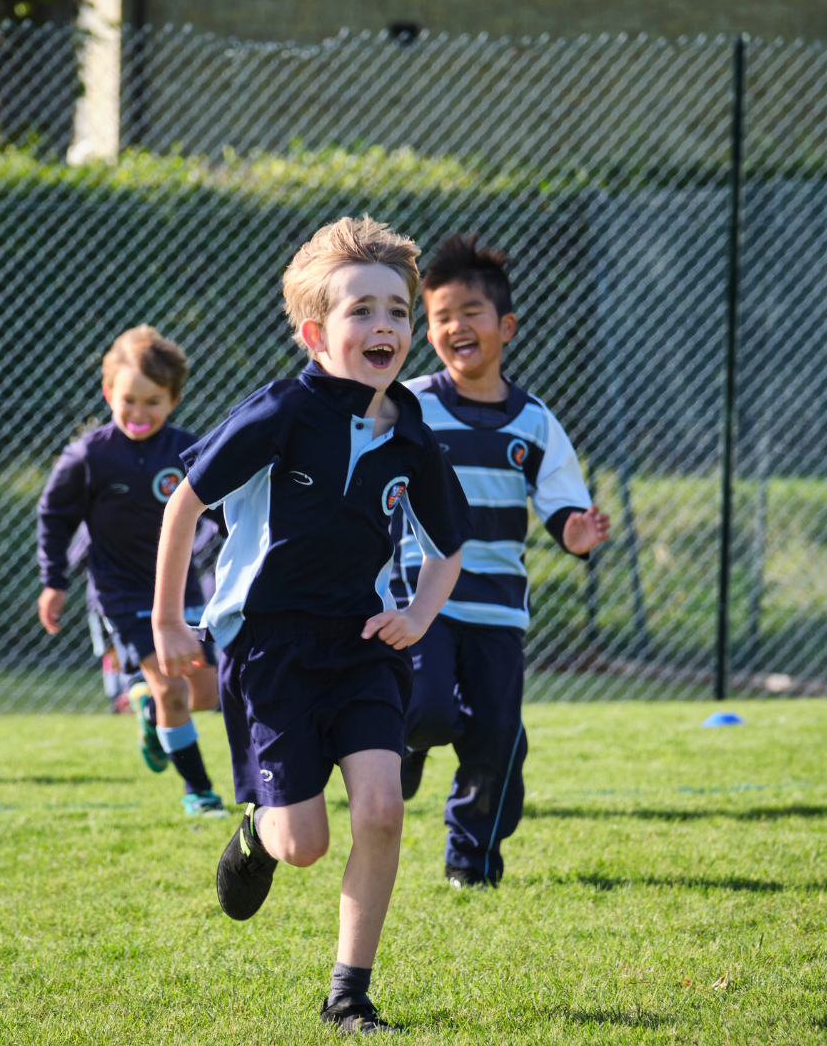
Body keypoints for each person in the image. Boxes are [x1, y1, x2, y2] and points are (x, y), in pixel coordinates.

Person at [152, 217, 470, 1033]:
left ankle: (349, 993)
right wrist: (167, 620)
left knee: (383, 809)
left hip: (364, 645)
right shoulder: (281, 413)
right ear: (315, 333)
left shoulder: (411, 435)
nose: (385, 327)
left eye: (398, 311)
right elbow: (187, 499)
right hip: (271, 649)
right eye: (361, 311)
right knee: (304, 845)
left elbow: (449, 544)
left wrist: (418, 615)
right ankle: (257, 834)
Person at [394, 233, 610, 887]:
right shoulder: (410, 406)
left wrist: (575, 533)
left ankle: (472, 862)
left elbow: (562, 505)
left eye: (470, 312)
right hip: (422, 598)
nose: (456, 326)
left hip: (496, 607)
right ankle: (405, 743)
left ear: (505, 325)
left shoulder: (535, 422)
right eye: (440, 318)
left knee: (496, 741)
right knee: (426, 711)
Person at [37, 325, 228, 818]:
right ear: (108, 394)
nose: (139, 414)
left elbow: (222, 511)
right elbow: (54, 517)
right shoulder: (89, 456)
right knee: (171, 689)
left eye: (153, 402)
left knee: (205, 692)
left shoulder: (189, 452)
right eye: (128, 401)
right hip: (120, 591)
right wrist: (53, 581)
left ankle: (146, 709)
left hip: (180, 585)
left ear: (174, 399)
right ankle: (199, 793)